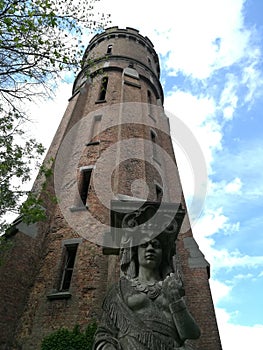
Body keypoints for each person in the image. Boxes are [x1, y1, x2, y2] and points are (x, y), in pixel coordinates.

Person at [93, 231, 201, 350]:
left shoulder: (172, 286)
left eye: (156, 246)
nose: (150, 249)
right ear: (135, 252)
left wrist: (175, 299)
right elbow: (104, 334)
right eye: (144, 245)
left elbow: (192, 335)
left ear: (163, 254)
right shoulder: (120, 288)